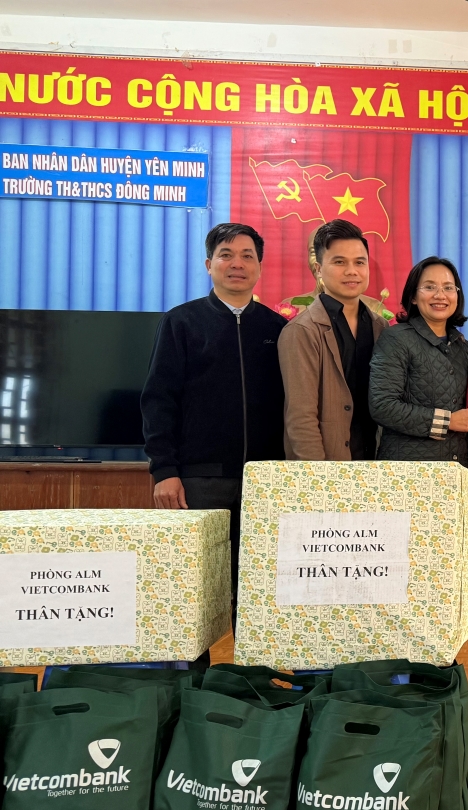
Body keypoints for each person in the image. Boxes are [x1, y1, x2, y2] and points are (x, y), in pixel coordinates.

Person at [141, 222, 287, 618]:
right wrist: (164, 470)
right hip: (198, 481)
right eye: (226, 255)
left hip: (265, 483)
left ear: (259, 267)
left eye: (247, 256)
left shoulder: (278, 329)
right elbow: (158, 400)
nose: (237, 264)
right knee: (194, 588)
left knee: (258, 590)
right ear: (209, 264)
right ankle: (195, 662)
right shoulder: (181, 322)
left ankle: (251, 660)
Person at [279, 219, 390, 461]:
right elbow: (301, 417)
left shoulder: (380, 327)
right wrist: (318, 475)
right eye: (339, 262)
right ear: (318, 269)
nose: (351, 271)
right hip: (327, 468)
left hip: (376, 464)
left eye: (359, 262)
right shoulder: (301, 330)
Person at [369, 256, 468, 463]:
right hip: (408, 471)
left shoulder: (462, 346)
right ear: (413, 296)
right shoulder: (396, 338)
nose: (440, 295)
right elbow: (382, 406)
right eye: (430, 287)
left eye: (448, 288)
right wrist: (448, 421)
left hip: (457, 467)